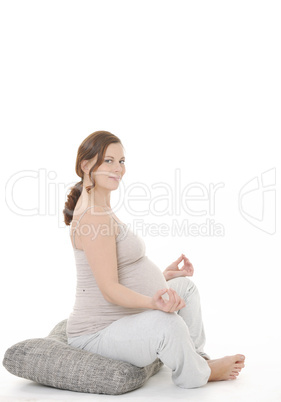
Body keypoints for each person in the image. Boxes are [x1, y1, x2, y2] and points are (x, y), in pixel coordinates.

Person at [63, 130, 245, 389]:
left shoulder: (100, 207)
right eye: (109, 160)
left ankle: (196, 358)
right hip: (98, 332)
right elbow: (109, 289)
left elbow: (115, 269)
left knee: (186, 289)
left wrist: (163, 277)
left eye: (122, 161)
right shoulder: (94, 216)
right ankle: (197, 373)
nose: (118, 169)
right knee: (167, 323)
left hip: (122, 318)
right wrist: (152, 302)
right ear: (86, 165)